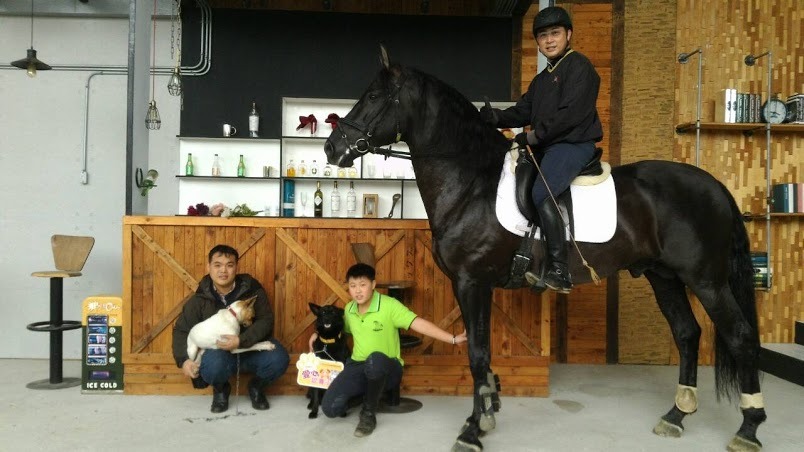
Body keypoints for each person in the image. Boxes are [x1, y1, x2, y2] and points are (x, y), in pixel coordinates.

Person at [480, 6, 603, 294]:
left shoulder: (580, 68)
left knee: (540, 191)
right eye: (543, 36)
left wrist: (532, 138)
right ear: (538, 42)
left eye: (555, 34)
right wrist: (496, 117)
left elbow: (570, 115)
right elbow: (524, 110)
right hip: (550, 145)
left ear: (568, 35)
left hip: (573, 144)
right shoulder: (542, 78)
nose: (549, 40)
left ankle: (560, 269)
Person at [310, 263, 467, 437]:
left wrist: (453, 339)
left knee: (375, 359)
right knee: (330, 408)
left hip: (388, 368)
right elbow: (337, 329)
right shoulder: (349, 309)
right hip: (358, 365)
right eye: (353, 286)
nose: (358, 291)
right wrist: (316, 334)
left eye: (363, 285)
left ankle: (368, 414)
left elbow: (419, 323)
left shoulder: (389, 305)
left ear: (373, 284)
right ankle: (366, 394)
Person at [172, 244, 290, 413]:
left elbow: (265, 320)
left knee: (279, 358)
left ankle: (256, 387)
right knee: (212, 366)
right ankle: (221, 390)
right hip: (219, 354)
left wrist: (241, 340)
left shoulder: (251, 289)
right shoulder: (199, 299)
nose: (223, 271)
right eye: (217, 265)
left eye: (229, 265)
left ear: (236, 267)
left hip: (250, 346)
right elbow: (181, 330)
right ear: (209, 267)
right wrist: (184, 360)